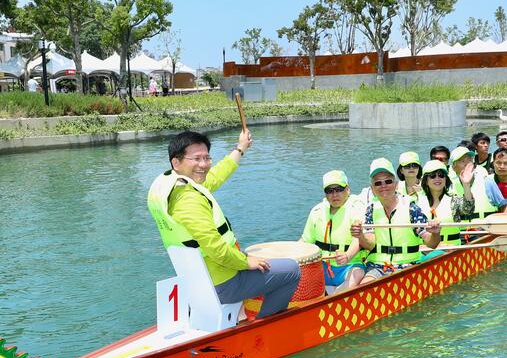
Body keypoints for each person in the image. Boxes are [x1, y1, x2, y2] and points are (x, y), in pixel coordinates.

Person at [148, 129, 300, 320]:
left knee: (250, 257)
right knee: (291, 270)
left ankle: (238, 316)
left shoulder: (174, 185)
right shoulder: (189, 200)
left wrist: (240, 148)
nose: (203, 164)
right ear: (176, 162)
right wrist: (246, 262)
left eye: (207, 158)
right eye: (196, 159)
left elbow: (216, 176)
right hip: (221, 282)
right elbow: (217, 250)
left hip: (198, 278)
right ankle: (264, 327)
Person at [354, 158, 441, 280]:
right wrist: (360, 236)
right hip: (377, 266)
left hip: (408, 266)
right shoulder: (371, 209)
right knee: (364, 289)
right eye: (378, 183)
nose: (383, 186)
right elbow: (369, 244)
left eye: (388, 181)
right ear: (372, 188)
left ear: (395, 184)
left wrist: (435, 234)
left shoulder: (411, 208)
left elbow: (432, 244)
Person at [299, 169, 366, 293]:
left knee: (357, 274)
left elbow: (358, 241)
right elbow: (305, 241)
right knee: (298, 276)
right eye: (329, 191)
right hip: (322, 266)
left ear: (348, 190)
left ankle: (334, 300)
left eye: (339, 189)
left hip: (349, 265)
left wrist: (347, 256)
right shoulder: (316, 211)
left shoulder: (357, 208)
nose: (334, 194)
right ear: (325, 194)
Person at [417, 159, 475, 247]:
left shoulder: (454, 201)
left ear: (445, 179)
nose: (437, 178)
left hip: (450, 250)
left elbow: (468, 210)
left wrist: (466, 185)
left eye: (441, 175)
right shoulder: (416, 202)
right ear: (426, 180)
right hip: (424, 250)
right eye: (432, 175)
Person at [447, 145, 506, 220]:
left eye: (469, 160)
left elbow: (504, 206)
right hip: (462, 230)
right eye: (462, 161)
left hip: (487, 229)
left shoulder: (487, 182)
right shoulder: (449, 188)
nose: (467, 164)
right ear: (453, 167)